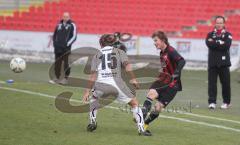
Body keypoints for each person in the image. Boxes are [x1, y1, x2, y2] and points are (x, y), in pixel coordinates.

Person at [82, 34, 151, 136]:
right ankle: (141, 129)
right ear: (113, 43)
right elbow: (128, 68)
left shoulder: (96, 55)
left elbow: (92, 76)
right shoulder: (119, 52)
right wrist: (134, 80)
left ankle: (92, 121)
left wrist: (86, 92)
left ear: (101, 44)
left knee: (94, 98)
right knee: (135, 103)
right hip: (117, 85)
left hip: (101, 86)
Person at [141, 30, 185, 134]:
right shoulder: (162, 53)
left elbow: (182, 61)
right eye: (154, 41)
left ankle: (145, 123)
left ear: (163, 40)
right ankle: (141, 119)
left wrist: (177, 72)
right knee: (151, 93)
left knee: (158, 107)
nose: (154, 43)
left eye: (156, 40)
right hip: (162, 80)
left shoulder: (171, 51)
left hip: (173, 84)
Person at [206, 16, 232, 109]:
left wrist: (215, 43)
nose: (219, 24)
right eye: (217, 22)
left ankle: (226, 102)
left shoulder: (228, 34)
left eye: (221, 23)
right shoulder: (209, 34)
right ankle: (212, 102)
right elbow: (209, 44)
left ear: (224, 24)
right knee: (212, 84)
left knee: (225, 84)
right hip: (212, 63)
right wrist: (220, 42)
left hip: (224, 63)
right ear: (215, 23)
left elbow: (226, 46)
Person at [49, 12, 77, 84]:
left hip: (66, 48)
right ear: (62, 17)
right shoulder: (58, 25)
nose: (65, 18)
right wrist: (55, 44)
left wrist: (67, 44)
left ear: (69, 17)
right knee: (57, 63)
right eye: (64, 16)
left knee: (66, 63)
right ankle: (57, 78)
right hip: (58, 48)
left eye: (67, 16)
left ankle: (65, 78)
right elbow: (55, 35)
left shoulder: (72, 25)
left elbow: (74, 36)